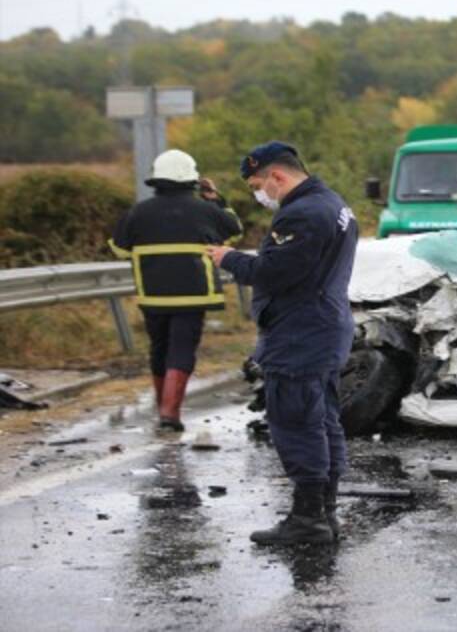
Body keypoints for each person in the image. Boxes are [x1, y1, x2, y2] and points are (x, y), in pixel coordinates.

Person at [207, 141, 358, 546]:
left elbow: (276, 273)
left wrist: (230, 259)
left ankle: (308, 519)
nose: (260, 194)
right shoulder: (333, 204)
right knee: (323, 420)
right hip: (323, 326)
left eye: (259, 184)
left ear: (277, 176)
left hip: (300, 332)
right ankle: (324, 514)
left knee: (296, 423)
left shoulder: (303, 214)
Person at [109, 150, 242, 432]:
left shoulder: (137, 212)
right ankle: (170, 414)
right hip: (195, 294)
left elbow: (118, 248)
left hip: (153, 295)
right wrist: (217, 201)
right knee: (182, 349)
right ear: (192, 180)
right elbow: (235, 229)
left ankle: (163, 410)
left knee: (159, 350)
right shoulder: (206, 210)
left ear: (156, 179)